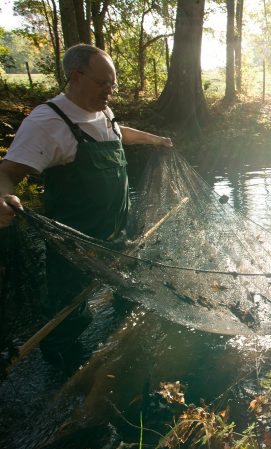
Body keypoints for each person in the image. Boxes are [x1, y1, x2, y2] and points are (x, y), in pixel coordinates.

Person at [0, 44, 172, 364]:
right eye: (103, 82)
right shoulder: (47, 122)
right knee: (67, 322)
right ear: (76, 77)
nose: (110, 90)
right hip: (72, 250)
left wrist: (155, 140)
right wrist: (3, 197)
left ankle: (120, 356)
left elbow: (119, 134)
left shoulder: (103, 110)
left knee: (128, 297)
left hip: (118, 237)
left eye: (113, 83)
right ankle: (66, 381)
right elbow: (7, 173)